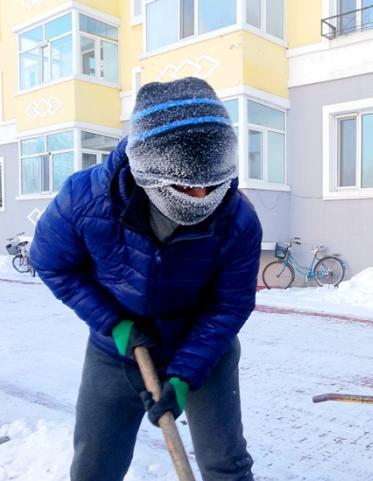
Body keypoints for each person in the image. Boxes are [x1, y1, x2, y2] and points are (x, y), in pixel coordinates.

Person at [30, 77, 261, 481]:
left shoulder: (237, 219)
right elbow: (52, 264)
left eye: (212, 181)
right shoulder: (84, 200)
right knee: (94, 466)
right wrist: (115, 326)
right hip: (116, 348)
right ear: (148, 170)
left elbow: (229, 304)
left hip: (204, 346)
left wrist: (187, 375)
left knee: (226, 464)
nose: (203, 196)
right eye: (186, 185)